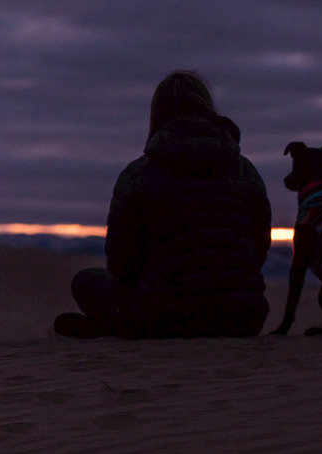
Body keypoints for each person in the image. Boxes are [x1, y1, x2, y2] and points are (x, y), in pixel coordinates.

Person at [55, 71, 271, 338]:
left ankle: (116, 325)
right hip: (244, 317)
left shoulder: (138, 174)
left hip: (166, 318)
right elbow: (260, 247)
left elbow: (122, 261)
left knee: (87, 282)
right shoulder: (246, 171)